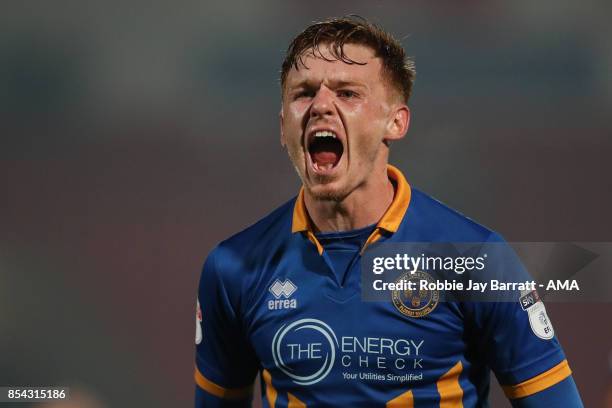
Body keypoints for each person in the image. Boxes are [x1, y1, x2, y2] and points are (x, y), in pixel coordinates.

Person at [194, 16, 583, 407]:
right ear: (283, 127)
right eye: (304, 93)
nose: (320, 106)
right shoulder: (233, 268)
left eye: (347, 93)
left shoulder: (477, 259)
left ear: (396, 122)